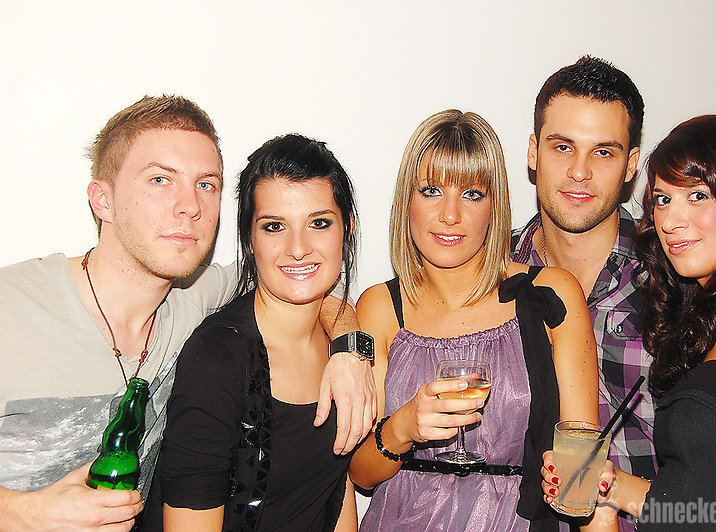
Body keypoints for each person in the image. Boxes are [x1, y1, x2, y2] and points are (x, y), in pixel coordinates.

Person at [0, 96, 375, 532]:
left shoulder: (199, 295)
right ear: (102, 200)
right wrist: (26, 513)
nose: (190, 206)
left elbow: (305, 278)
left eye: (206, 185)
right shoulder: (12, 307)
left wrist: (351, 349)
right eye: (161, 180)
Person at [542, 115, 716, 530]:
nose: (670, 221)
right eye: (662, 200)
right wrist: (612, 486)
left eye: (697, 195)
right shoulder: (705, 317)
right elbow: (703, 506)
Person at [350, 109, 599, 531]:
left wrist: (577, 479)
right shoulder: (379, 307)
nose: (450, 215)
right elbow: (361, 473)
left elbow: (581, 466)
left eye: (471, 194)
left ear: (494, 206)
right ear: (407, 201)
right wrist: (403, 427)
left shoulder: (551, 294)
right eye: (431, 190)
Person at [142, 134, 361, 531]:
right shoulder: (217, 359)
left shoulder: (343, 350)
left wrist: (351, 347)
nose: (298, 248)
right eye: (275, 226)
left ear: (345, 230)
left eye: (319, 223)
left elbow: (333, 487)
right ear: (250, 239)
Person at [511, 56, 652, 530]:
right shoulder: (493, 273)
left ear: (631, 164)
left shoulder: (673, 275)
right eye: (563, 147)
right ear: (534, 152)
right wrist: (349, 346)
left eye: (604, 152)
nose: (579, 171)